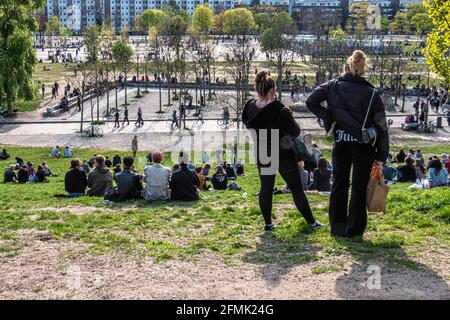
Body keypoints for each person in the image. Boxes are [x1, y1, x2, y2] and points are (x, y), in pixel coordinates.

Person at [306, 50, 389, 237]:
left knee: (339, 183)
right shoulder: (372, 93)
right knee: (359, 187)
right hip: (364, 144)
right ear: (364, 68)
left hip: (341, 141)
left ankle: (337, 225)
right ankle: (355, 228)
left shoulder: (333, 86)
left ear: (348, 66)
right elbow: (382, 127)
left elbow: (311, 101)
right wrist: (381, 155)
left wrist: (330, 118)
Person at [243, 70, 323, 232]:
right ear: (272, 90)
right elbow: (295, 131)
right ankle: (312, 222)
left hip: (262, 151)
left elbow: (248, 123)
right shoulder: (279, 109)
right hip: (282, 153)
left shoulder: (249, 107)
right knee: (296, 189)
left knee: (266, 187)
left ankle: (268, 224)